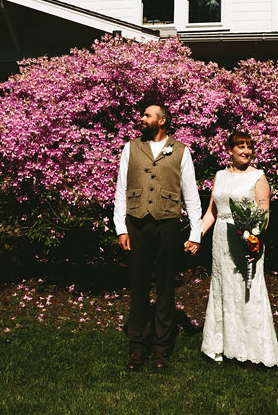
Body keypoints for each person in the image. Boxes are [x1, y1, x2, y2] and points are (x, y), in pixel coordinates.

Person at [113, 104, 202, 370]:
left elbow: (191, 194)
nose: (142, 118)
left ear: (162, 121)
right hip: (137, 223)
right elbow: (121, 189)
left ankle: (161, 348)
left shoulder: (181, 151)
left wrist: (195, 233)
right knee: (138, 286)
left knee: (165, 287)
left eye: (147, 115)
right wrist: (121, 228)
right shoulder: (131, 148)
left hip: (167, 224)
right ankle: (137, 347)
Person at [200, 130, 278, 367]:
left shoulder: (258, 177)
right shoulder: (219, 175)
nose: (246, 151)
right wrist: (195, 236)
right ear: (229, 150)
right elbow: (212, 212)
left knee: (247, 290)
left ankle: (252, 351)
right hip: (220, 241)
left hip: (246, 241)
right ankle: (221, 347)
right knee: (223, 289)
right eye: (241, 146)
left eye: (249, 147)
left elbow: (264, 215)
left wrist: (254, 239)